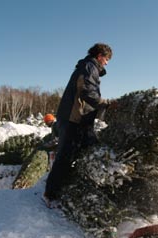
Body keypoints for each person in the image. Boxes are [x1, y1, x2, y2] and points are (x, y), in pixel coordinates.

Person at [44, 43, 116, 205]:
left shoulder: (90, 67)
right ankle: (50, 194)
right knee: (65, 156)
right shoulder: (89, 66)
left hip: (82, 120)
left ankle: (75, 186)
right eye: (107, 59)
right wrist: (106, 103)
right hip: (74, 120)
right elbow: (86, 91)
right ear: (100, 56)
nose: (107, 63)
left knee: (91, 148)